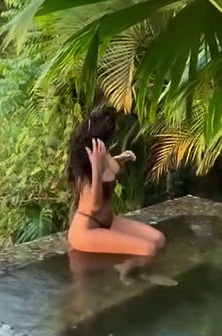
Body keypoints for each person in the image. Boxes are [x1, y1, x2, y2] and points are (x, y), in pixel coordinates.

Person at [67, 110, 166, 258]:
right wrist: (96, 169)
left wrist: (121, 158)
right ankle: (125, 269)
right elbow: (94, 207)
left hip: (109, 221)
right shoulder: (84, 167)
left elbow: (112, 169)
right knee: (148, 249)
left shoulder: (103, 153)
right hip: (87, 228)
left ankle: (127, 267)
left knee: (159, 239)